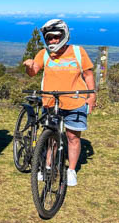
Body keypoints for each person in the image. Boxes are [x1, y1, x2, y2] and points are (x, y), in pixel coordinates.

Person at [23, 19, 96, 186]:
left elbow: (89, 74)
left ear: (64, 36)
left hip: (75, 101)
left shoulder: (78, 52)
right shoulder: (44, 54)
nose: (53, 41)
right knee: (51, 138)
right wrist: (29, 66)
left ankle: (71, 170)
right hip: (50, 102)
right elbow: (33, 72)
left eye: (56, 37)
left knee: (73, 137)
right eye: (49, 38)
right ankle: (47, 166)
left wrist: (92, 96)